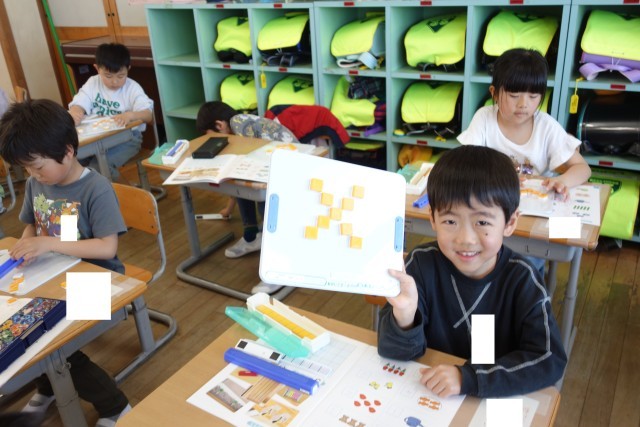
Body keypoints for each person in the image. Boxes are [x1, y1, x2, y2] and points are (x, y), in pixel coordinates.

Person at [378, 145, 567, 398]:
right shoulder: (421, 265)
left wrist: (468, 377)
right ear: (432, 219)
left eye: (482, 222)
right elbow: (393, 352)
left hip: (495, 397)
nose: (465, 239)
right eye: (450, 221)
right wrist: (405, 316)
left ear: (510, 222)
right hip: (431, 396)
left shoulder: (522, 279)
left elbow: (549, 360)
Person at [0, 99, 131, 427]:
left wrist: (47, 243)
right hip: (52, 273)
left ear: (68, 151)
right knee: (25, 329)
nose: (32, 175)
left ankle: (115, 406)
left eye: (37, 166)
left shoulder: (95, 188)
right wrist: (27, 244)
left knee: (55, 342)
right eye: (26, 169)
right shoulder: (37, 183)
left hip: (100, 279)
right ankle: (48, 385)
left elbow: (107, 247)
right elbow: (32, 225)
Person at [457, 48, 591, 275]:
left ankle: (524, 288)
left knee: (524, 264)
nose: (524, 104)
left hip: (532, 216)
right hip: (492, 210)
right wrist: (499, 178)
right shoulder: (484, 119)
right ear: (494, 92)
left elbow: (582, 168)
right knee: (477, 254)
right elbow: (466, 161)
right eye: (513, 95)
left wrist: (563, 181)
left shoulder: (546, 126)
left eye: (533, 96)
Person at [196, 101, 298, 294]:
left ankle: (278, 268)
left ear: (219, 125)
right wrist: (229, 205)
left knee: (263, 202)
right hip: (273, 162)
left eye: (213, 136)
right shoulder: (237, 125)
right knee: (240, 185)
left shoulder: (239, 124)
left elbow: (256, 157)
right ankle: (252, 237)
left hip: (290, 167)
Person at [68, 43, 154, 183]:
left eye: (121, 76)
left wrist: (130, 115)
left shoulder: (132, 88)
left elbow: (148, 115)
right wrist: (76, 112)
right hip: (97, 139)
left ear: (128, 69)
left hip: (128, 139)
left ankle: (127, 194)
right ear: (97, 68)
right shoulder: (93, 83)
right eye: (108, 76)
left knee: (100, 167)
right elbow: (79, 103)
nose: (114, 81)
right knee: (72, 162)